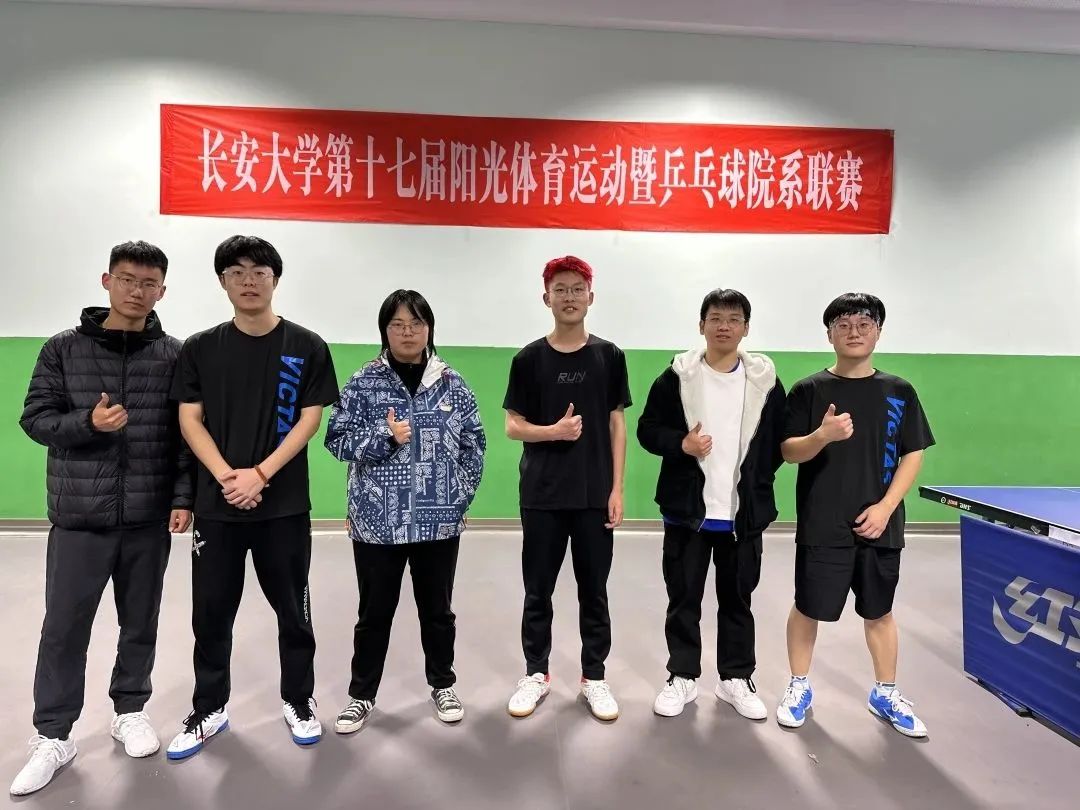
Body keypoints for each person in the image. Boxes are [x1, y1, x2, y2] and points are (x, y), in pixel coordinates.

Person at [12, 241, 192, 796]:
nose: (137, 291)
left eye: (149, 283)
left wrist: (183, 497)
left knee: (141, 621)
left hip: (147, 517)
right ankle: (53, 735)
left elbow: (186, 436)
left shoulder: (175, 355)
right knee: (64, 628)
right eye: (128, 279)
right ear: (107, 281)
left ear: (163, 290)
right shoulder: (62, 349)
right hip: (79, 517)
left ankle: (130, 710)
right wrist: (87, 423)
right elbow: (35, 419)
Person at [166, 235, 339, 759]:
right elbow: (189, 419)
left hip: (283, 507)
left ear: (275, 280)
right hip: (217, 508)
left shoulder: (306, 345)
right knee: (211, 614)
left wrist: (260, 474)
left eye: (259, 272)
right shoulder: (200, 348)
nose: (248, 281)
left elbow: (310, 419)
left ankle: (299, 701)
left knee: (294, 611)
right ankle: (209, 708)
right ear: (223, 281)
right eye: (236, 272)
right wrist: (227, 477)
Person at [324, 289, 486, 734]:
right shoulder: (363, 382)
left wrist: (459, 496)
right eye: (397, 324)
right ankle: (361, 695)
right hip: (377, 523)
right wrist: (384, 436)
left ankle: (443, 685)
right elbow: (336, 440)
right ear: (385, 330)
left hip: (439, 522)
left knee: (438, 612)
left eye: (416, 324)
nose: (407, 332)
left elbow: (474, 444)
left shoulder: (452, 383)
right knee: (374, 614)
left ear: (429, 328)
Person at [776, 293, 934, 737]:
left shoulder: (899, 391)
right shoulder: (809, 390)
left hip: (881, 524)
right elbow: (788, 451)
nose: (854, 332)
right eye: (843, 325)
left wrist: (886, 507)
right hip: (822, 522)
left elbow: (913, 453)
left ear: (878, 332)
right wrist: (822, 436)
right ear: (829, 334)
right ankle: (798, 685)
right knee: (808, 607)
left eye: (864, 324)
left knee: (879, 612)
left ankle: (885, 692)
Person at [637, 288, 786, 720]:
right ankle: (682, 675)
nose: (724, 326)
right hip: (688, 513)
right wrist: (680, 444)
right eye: (716, 318)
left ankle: (735, 678)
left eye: (734, 319)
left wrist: (756, 481)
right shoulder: (677, 376)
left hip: (742, 514)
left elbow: (776, 443)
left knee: (738, 600)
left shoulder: (765, 382)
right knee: (683, 599)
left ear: (746, 328)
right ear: (701, 325)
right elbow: (647, 430)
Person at [503, 256, 631, 721]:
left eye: (578, 289)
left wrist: (617, 489)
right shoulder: (528, 359)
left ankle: (594, 677)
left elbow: (617, 425)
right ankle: (535, 674)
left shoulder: (609, 356)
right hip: (542, 496)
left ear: (590, 297)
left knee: (594, 592)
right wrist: (552, 432)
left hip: (594, 496)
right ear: (547, 298)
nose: (570, 296)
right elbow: (513, 426)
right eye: (561, 289)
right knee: (537, 591)